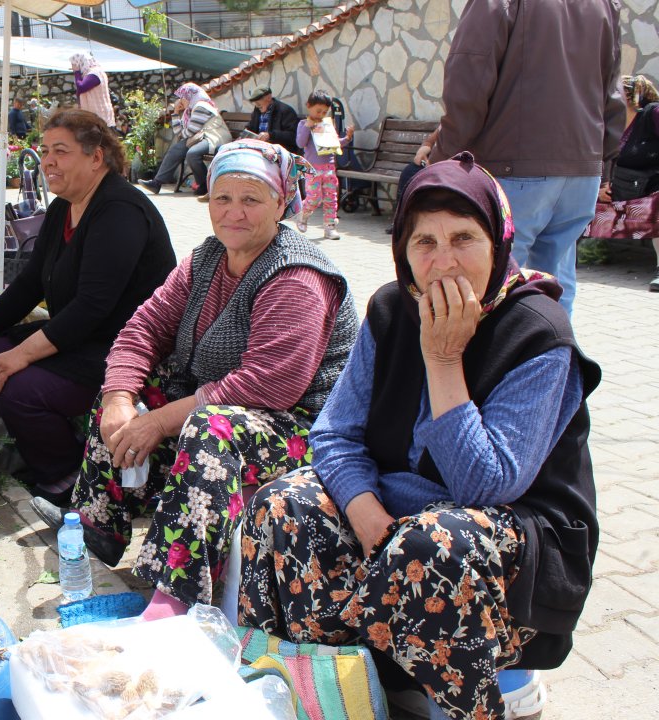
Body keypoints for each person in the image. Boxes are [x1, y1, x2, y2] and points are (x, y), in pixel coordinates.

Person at [240, 153, 600, 720]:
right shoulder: (391, 308)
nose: (443, 262)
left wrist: (443, 356)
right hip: (394, 520)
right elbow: (334, 433)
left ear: (499, 242)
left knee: (430, 545)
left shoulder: (538, 334)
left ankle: (474, 698)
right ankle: (334, 693)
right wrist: (362, 509)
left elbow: (485, 485)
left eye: (463, 238)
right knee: (283, 504)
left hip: (506, 550)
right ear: (404, 253)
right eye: (424, 242)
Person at [30, 139, 357, 619]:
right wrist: (121, 397)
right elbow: (145, 325)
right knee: (129, 387)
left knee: (209, 429)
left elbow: (267, 385)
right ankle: (96, 531)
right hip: (224, 402)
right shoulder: (208, 258)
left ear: (281, 203)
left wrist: (158, 422)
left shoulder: (297, 276)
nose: (234, 213)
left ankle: (174, 597)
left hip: (300, 424)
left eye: (251, 199)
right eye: (223, 198)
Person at [0, 109, 177, 503]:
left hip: (127, 348)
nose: (48, 161)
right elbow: (29, 284)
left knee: (20, 385)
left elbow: (93, 306)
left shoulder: (120, 210)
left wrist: (21, 355)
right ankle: (45, 446)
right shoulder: (61, 209)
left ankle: (68, 479)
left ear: (95, 157)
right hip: (82, 335)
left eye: (61, 151)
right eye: (45, 150)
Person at [429, 0, 624, 316]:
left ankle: (497, 364)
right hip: (581, 169)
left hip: (513, 168)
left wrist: (443, 161)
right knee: (557, 284)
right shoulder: (604, 3)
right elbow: (612, 89)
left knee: (495, 283)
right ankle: (555, 362)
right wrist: (604, 159)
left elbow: (469, 83)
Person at [590, 74, 659, 292]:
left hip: (651, 186)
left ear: (629, 97)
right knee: (581, 198)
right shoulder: (610, 123)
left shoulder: (652, 114)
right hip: (622, 186)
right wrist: (603, 184)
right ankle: (574, 257)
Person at [141, 83, 229, 199]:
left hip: (214, 137)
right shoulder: (190, 110)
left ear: (190, 96)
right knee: (176, 149)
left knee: (192, 153)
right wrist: (176, 112)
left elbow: (187, 133)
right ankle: (157, 183)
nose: (180, 100)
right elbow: (181, 133)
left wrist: (179, 121)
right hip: (200, 136)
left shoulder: (201, 107)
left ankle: (204, 185)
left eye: (182, 97)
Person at [295, 90, 353, 239]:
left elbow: (334, 144)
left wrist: (346, 138)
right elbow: (300, 143)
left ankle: (330, 227)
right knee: (314, 197)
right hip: (313, 169)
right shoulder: (303, 124)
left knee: (331, 198)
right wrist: (308, 126)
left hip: (329, 168)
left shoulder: (327, 125)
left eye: (324, 112)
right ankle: (303, 214)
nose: (321, 114)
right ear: (309, 106)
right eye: (318, 110)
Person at [245, 87, 300, 155]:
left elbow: (292, 136)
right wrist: (245, 135)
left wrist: (270, 135)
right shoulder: (257, 110)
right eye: (255, 102)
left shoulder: (285, 110)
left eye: (258, 101)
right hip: (260, 148)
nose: (256, 105)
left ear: (269, 97)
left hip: (279, 151)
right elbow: (251, 128)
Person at [69, 53, 116, 130]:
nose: (72, 68)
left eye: (74, 65)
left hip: (99, 116)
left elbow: (81, 87)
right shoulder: (92, 73)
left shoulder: (95, 73)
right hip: (96, 116)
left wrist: (77, 72)